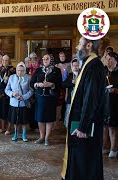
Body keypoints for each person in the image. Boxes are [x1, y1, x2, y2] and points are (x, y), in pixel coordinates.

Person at [61, 37, 106, 180]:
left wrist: (82, 127)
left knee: (85, 162)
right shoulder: (88, 63)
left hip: (85, 126)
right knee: (81, 160)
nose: (76, 47)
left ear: (89, 45)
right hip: (82, 123)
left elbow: (90, 99)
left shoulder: (94, 66)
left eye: (79, 44)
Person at [30, 54, 62, 146]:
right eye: (43, 59)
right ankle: (41, 137)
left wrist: (51, 85)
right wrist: (37, 84)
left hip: (51, 97)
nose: (45, 60)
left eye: (47, 59)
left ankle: (47, 138)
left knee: (49, 118)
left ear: (51, 60)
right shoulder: (39, 70)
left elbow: (60, 84)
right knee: (40, 117)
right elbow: (32, 82)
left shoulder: (56, 70)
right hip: (40, 97)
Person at [5, 62, 33, 142]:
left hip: (23, 103)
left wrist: (24, 97)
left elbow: (31, 91)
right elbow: (7, 89)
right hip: (14, 102)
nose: (19, 72)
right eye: (18, 70)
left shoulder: (28, 78)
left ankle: (24, 134)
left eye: (21, 71)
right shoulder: (12, 77)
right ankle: (16, 133)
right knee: (15, 120)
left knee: (24, 120)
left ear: (24, 71)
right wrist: (12, 94)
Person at [102, 52, 118, 158]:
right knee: (104, 127)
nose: (108, 61)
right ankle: (104, 147)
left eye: (110, 59)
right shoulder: (104, 71)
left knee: (113, 127)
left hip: (115, 103)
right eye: (107, 59)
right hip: (104, 102)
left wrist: (116, 90)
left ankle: (114, 149)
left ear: (115, 61)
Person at [0, 54, 15, 135]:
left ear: (9, 61)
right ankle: (3, 127)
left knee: (8, 111)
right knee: (1, 111)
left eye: (6, 60)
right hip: (0, 93)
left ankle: (9, 128)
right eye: (3, 60)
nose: (4, 62)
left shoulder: (13, 69)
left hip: (9, 94)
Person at [62, 59, 80, 128]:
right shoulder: (70, 75)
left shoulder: (82, 74)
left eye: (77, 65)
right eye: (74, 65)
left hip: (79, 99)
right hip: (71, 98)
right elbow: (63, 84)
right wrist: (71, 83)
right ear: (72, 67)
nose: (75, 67)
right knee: (69, 115)